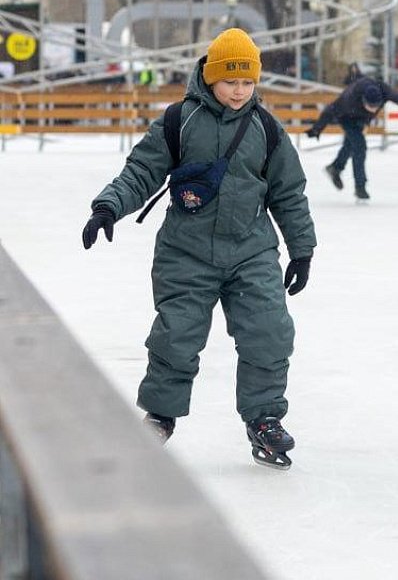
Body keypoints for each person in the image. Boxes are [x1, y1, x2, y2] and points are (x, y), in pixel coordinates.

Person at [81, 28, 317, 469]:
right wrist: (109, 207)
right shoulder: (179, 120)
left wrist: (301, 249)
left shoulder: (266, 127)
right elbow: (141, 172)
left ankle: (264, 418)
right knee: (176, 334)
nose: (239, 91)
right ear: (210, 78)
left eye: (248, 83)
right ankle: (160, 416)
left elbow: (289, 193)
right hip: (186, 253)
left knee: (268, 331)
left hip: (252, 251)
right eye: (231, 82)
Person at [306, 76, 398, 200]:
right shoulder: (350, 97)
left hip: (361, 118)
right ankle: (360, 187)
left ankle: (335, 168)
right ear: (363, 100)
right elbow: (330, 110)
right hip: (346, 117)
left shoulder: (385, 91)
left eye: (376, 106)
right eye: (370, 106)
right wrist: (317, 128)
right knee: (359, 146)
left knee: (351, 144)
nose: (374, 109)